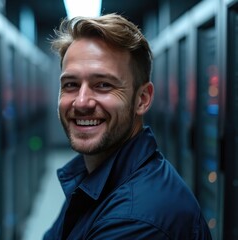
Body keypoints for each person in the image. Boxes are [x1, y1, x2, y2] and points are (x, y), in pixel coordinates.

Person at [43, 13, 212, 239]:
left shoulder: (134, 221)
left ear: (142, 99)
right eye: (71, 85)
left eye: (103, 85)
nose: (81, 102)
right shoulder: (93, 176)